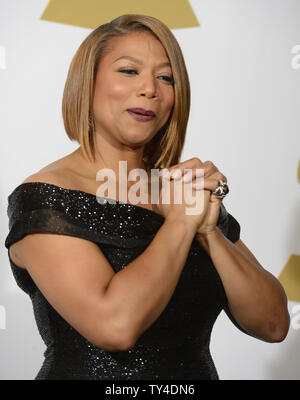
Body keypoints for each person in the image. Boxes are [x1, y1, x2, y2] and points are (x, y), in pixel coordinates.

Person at [4, 14, 289, 380]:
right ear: (86, 83)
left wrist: (209, 233)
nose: (150, 89)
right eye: (128, 71)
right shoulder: (45, 198)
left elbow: (273, 324)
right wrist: (183, 220)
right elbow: (115, 326)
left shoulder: (182, 193)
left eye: (165, 77)